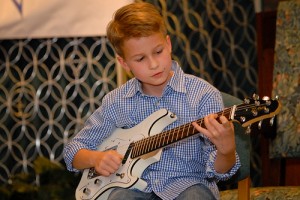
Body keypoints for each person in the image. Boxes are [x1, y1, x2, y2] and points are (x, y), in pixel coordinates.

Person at [64, 2, 240, 200]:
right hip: (132, 189)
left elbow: (219, 171)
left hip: (189, 184)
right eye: (140, 59)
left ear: (168, 44)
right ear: (123, 63)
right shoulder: (117, 101)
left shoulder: (203, 95)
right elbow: (73, 150)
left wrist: (227, 151)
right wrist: (96, 159)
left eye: (158, 52)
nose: (154, 64)